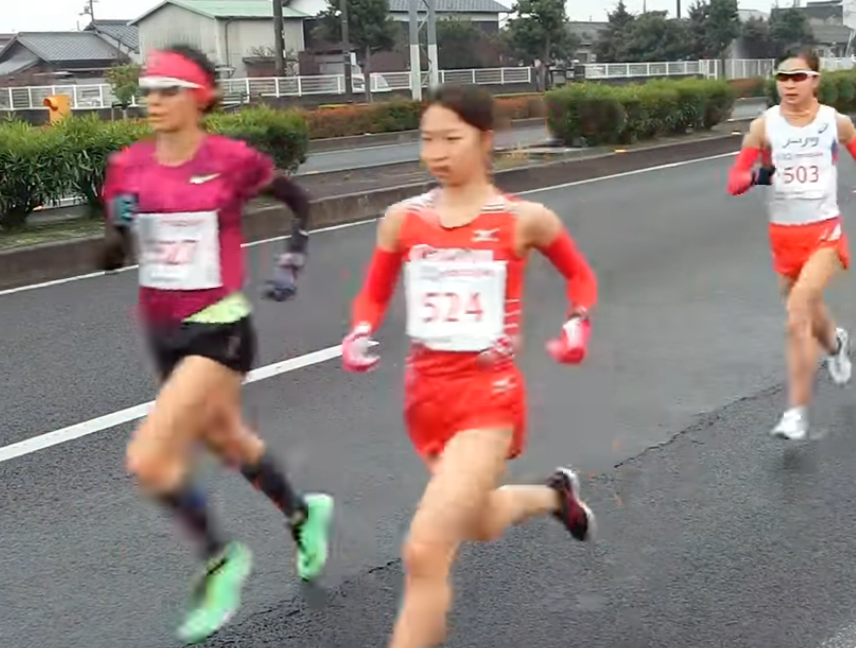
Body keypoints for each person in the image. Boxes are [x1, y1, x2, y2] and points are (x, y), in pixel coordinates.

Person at [340, 83, 598, 648]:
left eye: (450, 138)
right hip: (426, 402)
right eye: (426, 139)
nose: (436, 151)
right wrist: (359, 330)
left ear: (485, 140)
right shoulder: (402, 220)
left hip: (488, 399)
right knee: (478, 521)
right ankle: (554, 497)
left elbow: (580, 276)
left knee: (426, 548)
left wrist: (578, 319)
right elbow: (374, 294)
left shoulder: (523, 219)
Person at [96, 45, 335, 644]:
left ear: (200, 95)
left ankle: (220, 558)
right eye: (147, 90)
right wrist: (114, 242)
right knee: (229, 440)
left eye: (167, 90)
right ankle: (305, 514)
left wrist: (291, 263)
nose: (152, 100)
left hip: (219, 327)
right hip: (160, 329)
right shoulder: (127, 165)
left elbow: (299, 201)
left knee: (150, 459)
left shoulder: (232, 161)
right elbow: (120, 235)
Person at [726, 50, 856, 441]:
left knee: (797, 313)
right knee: (810, 310)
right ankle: (836, 344)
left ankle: (796, 411)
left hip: (824, 231)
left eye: (798, 77)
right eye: (783, 77)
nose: (789, 84)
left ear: (815, 79)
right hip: (783, 235)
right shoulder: (763, 126)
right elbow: (740, 170)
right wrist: (746, 177)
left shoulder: (835, 122)